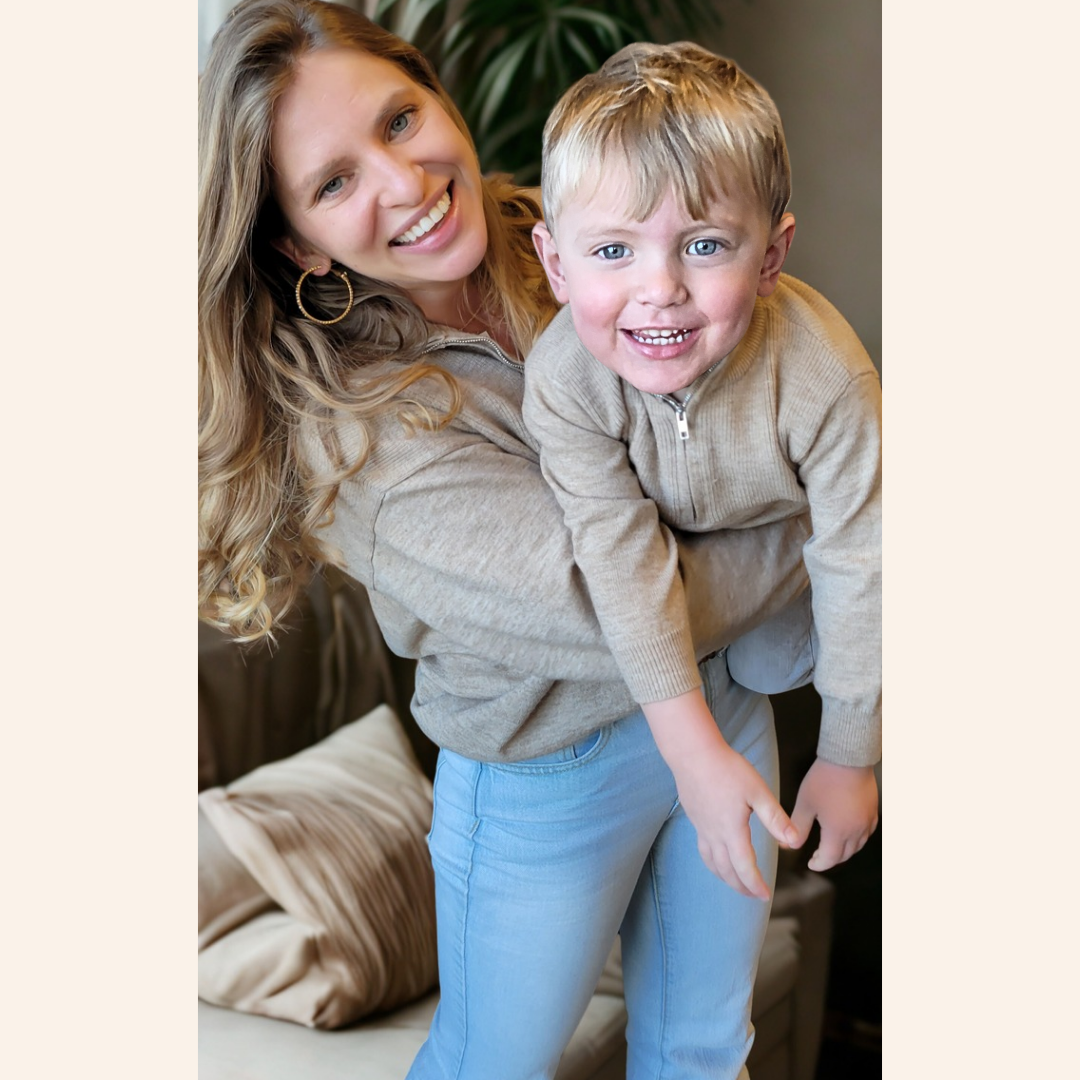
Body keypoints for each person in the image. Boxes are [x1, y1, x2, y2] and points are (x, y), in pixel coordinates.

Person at [198, 2, 843, 1076]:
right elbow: (599, 611)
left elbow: (775, 361)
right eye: (334, 182)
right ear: (289, 239)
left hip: (720, 696)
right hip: (554, 769)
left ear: (436, 92)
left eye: (399, 121)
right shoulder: (357, 438)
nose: (403, 183)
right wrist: (837, 527)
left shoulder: (578, 227)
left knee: (705, 1053)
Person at [522, 42, 881, 898]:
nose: (660, 288)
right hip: (677, 571)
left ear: (771, 257)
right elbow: (616, 552)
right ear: (554, 264)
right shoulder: (564, 378)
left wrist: (850, 754)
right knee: (702, 644)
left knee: (772, 656)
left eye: (705, 245)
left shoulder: (823, 374)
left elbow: (864, 558)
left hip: (808, 557)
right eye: (612, 252)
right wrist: (691, 753)